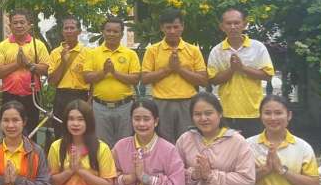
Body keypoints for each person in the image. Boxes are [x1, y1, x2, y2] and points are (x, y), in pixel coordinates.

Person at [141, 9, 208, 143]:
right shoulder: (152, 50)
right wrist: (168, 69)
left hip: (187, 102)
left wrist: (180, 69)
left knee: (187, 142)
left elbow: (203, 81)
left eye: (176, 27)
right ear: (162, 28)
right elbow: (145, 79)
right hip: (161, 103)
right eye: (168, 27)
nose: (172, 31)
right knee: (162, 142)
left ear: (182, 27)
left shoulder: (193, 50)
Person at [207, 9, 275, 136]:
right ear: (222, 27)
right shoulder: (217, 51)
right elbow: (213, 80)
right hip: (227, 111)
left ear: (244, 25)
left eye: (236, 23)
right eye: (228, 23)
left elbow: (268, 75)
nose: (233, 27)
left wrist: (242, 69)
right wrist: (232, 70)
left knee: (252, 146)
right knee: (229, 147)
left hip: (254, 110)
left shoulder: (257, 47)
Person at [0, 10, 50, 142]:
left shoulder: (38, 45)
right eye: (15, 23)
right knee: (9, 129)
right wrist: (16, 64)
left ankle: (30, 154)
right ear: (10, 26)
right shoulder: (3, 46)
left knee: (31, 132)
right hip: (10, 95)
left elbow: (46, 70)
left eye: (22, 22)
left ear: (28, 24)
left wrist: (28, 63)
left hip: (32, 95)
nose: (19, 26)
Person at [82, 17, 141, 146]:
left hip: (124, 107)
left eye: (115, 31)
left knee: (126, 144)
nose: (111, 34)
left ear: (122, 35)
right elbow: (86, 78)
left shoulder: (130, 54)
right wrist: (104, 71)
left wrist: (114, 72)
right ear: (103, 32)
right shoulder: (93, 53)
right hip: (100, 107)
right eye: (108, 31)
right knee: (102, 145)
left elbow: (135, 79)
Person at [46, 16, 90, 142]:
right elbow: (52, 82)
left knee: (81, 133)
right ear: (62, 31)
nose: (69, 31)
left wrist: (90, 101)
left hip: (81, 96)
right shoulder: (55, 53)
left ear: (79, 31)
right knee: (61, 132)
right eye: (66, 28)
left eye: (72, 28)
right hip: (61, 97)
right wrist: (63, 62)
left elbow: (92, 81)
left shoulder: (87, 53)